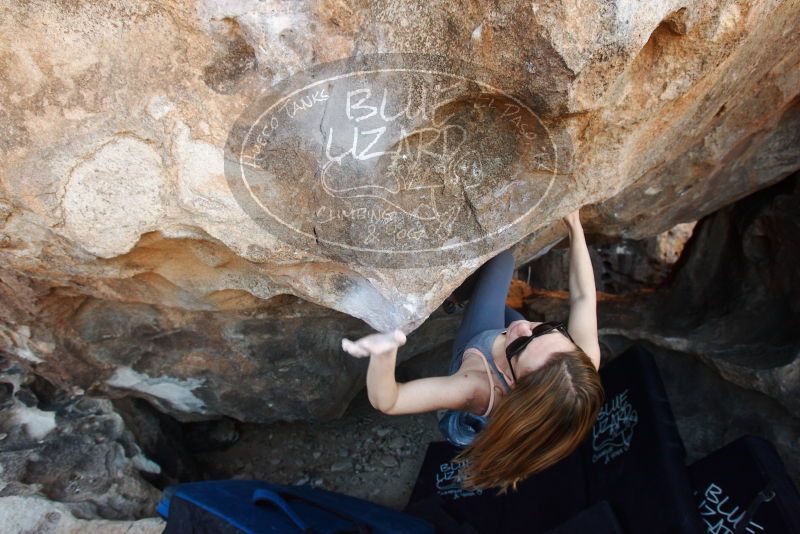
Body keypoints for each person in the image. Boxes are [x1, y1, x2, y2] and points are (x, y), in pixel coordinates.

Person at [341, 209, 604, 495]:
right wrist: (574, 225)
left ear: (513, 382)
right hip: (508, 354)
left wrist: (383, 354)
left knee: (501, 261)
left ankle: (454, 298)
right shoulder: (576, 362)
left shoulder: (475, 388)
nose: (525, 327)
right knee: (508, 289)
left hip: (479, 343)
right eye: (547, 329)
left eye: (521, 346)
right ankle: (473, 302)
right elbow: (583, 297)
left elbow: (389, 401)